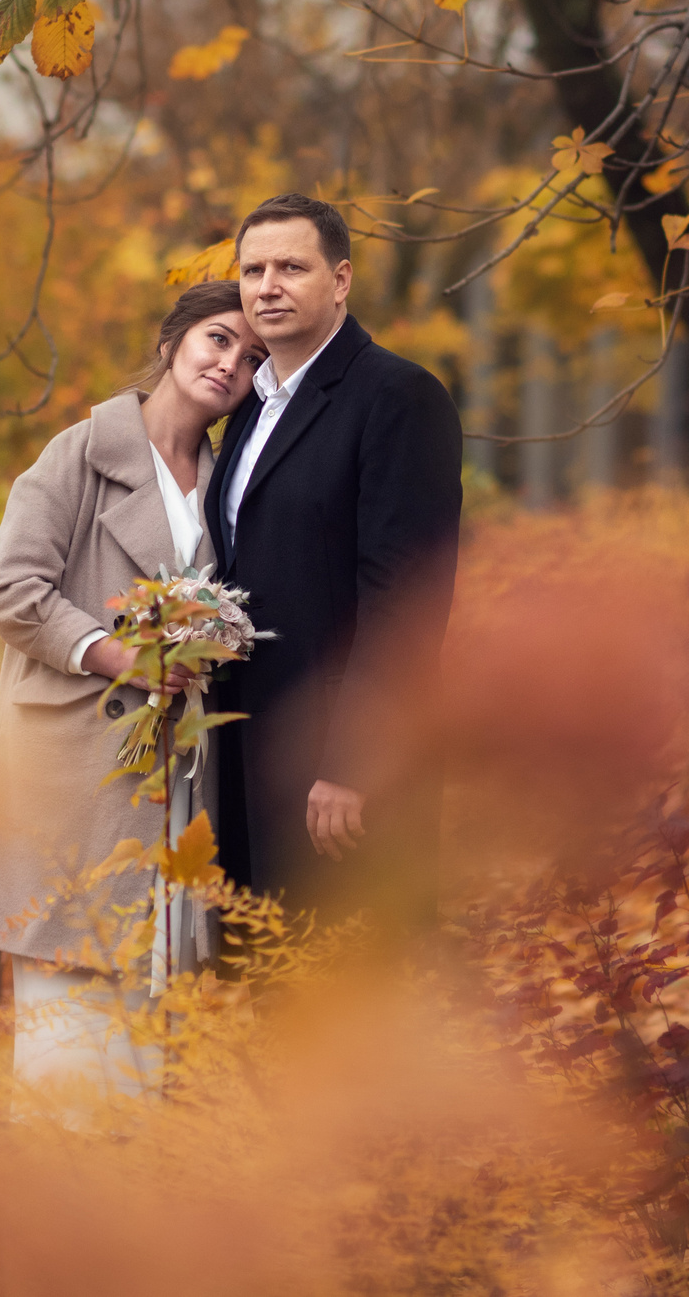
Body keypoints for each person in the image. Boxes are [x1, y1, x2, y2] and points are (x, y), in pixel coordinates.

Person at [0, 281, 265, 1098]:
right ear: (173, 343)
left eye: (252, 357)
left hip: (174, 777)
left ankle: (125, 1206)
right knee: (68, 1013)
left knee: (148, 1012)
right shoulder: (80, 453)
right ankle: (53, 1204)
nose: (231, 363)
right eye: (217, 339)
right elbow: (10, 591)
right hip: (77, 767)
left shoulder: (230, 478)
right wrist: (121, 656)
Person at [204, 194, 464, 916]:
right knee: (265, 997)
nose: (267, 285)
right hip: (250, 751)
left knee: (346, 998)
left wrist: (352, 764)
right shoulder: (250, 405)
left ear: (342, 279)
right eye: (253, 269)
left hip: (339, 772)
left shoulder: (399, 396)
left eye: (292, 266)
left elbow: (404, 601)